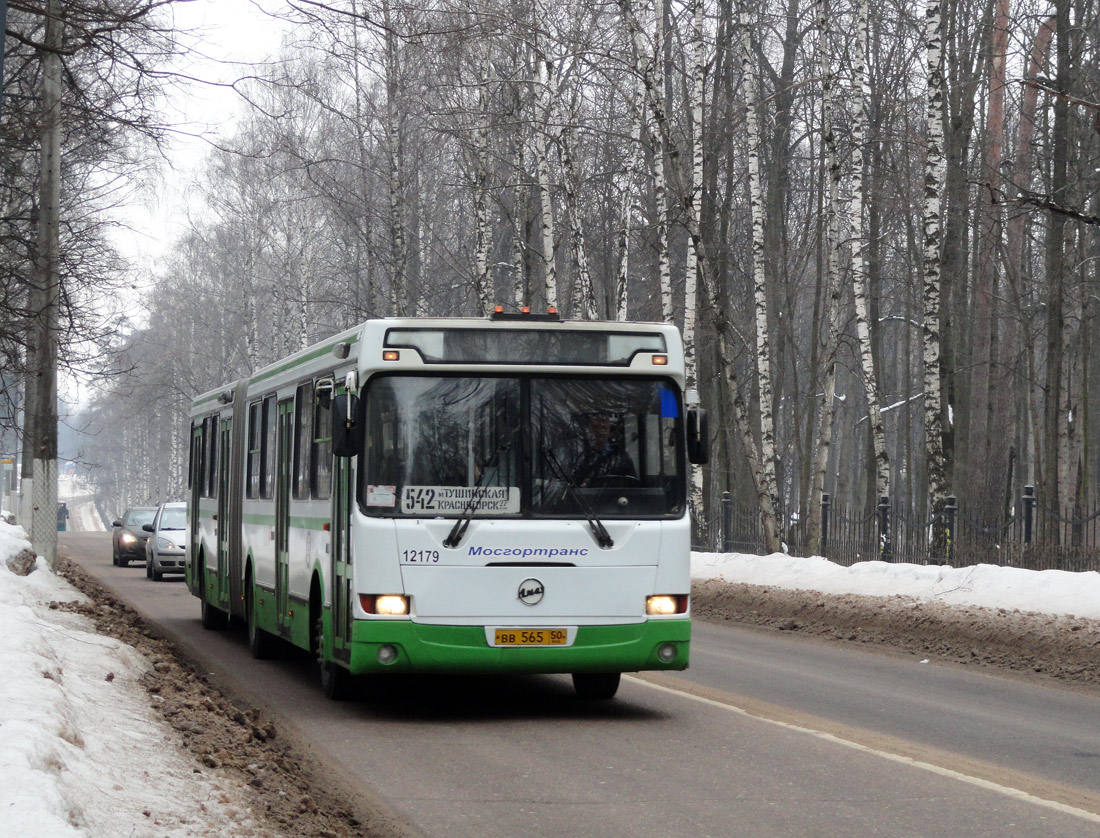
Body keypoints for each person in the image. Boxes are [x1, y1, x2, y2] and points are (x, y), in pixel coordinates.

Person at [573, 413, 637, 487]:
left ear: (609, 429)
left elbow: (632, 484)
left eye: (604, 427)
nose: (600, 431)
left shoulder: (621, 457)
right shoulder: (579, 454)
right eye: (596, 427)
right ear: (589, 429)